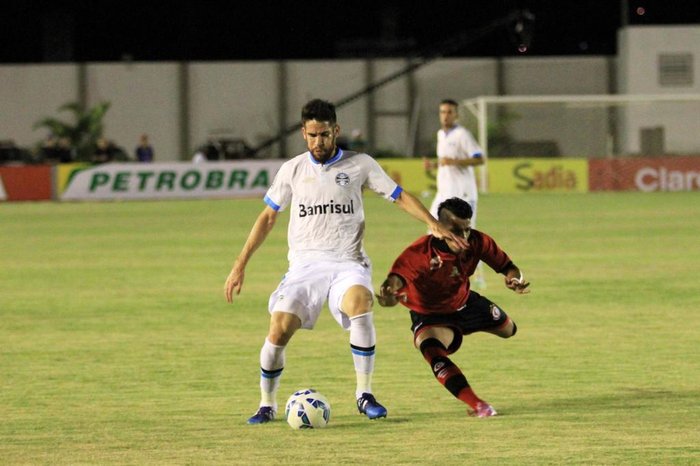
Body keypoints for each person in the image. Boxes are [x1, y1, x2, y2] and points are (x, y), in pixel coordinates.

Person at [224, 98, 469, 425]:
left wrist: (433, 223)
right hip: (304, 267)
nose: (318, 142)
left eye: (324, 135)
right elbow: (268, 216)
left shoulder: (360, 164)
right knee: (279, 328)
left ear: (335, 131)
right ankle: (266, 403)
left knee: (361, 301)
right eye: (312, 135)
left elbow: (399, 196)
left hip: (347, 263)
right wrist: (240, 263)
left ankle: (364, 394)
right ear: (303, 133)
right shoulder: (292, 170)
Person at [376, 197, 530, 418]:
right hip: (430, 316)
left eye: (467, 229)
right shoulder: (418, 254)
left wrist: (514, 279)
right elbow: (392, 286)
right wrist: (388, 296)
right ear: (438, 228)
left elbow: (509, 267)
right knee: (431, 351)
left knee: (510, 330)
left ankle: (479, 325)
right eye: (456, 231)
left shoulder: (477, 241)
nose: (464, 237)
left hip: (465, 304)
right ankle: (479, 405)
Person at [424, 98, 487, 288]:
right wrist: (435, 165)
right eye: (443, 112)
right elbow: (446, 162)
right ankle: (440, 272)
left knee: (465, 237)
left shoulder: (462, 135)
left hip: (462, 195)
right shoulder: (441, 135)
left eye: (450, 112)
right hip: (444, 194)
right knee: (432, 231)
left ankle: (477, 277)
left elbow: (479, 159)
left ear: (456, 115)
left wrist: (455, 162)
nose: (445, 115)